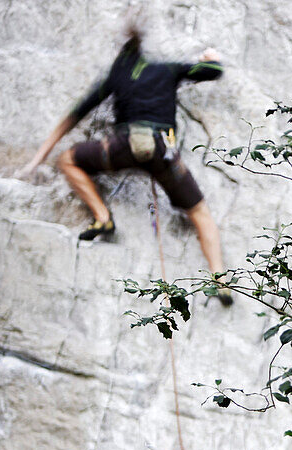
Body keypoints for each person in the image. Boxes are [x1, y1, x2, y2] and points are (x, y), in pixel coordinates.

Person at [18, 30, 231, 303]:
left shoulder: (117, 75)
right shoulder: (167, 69)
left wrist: (35, 161)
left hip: (123, 149)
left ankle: (102, 217)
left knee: (67, 159)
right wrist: (211, 57)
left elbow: (70, 119)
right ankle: (221, 280)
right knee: (200, 212)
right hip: (162, 153)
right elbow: (212, 70)